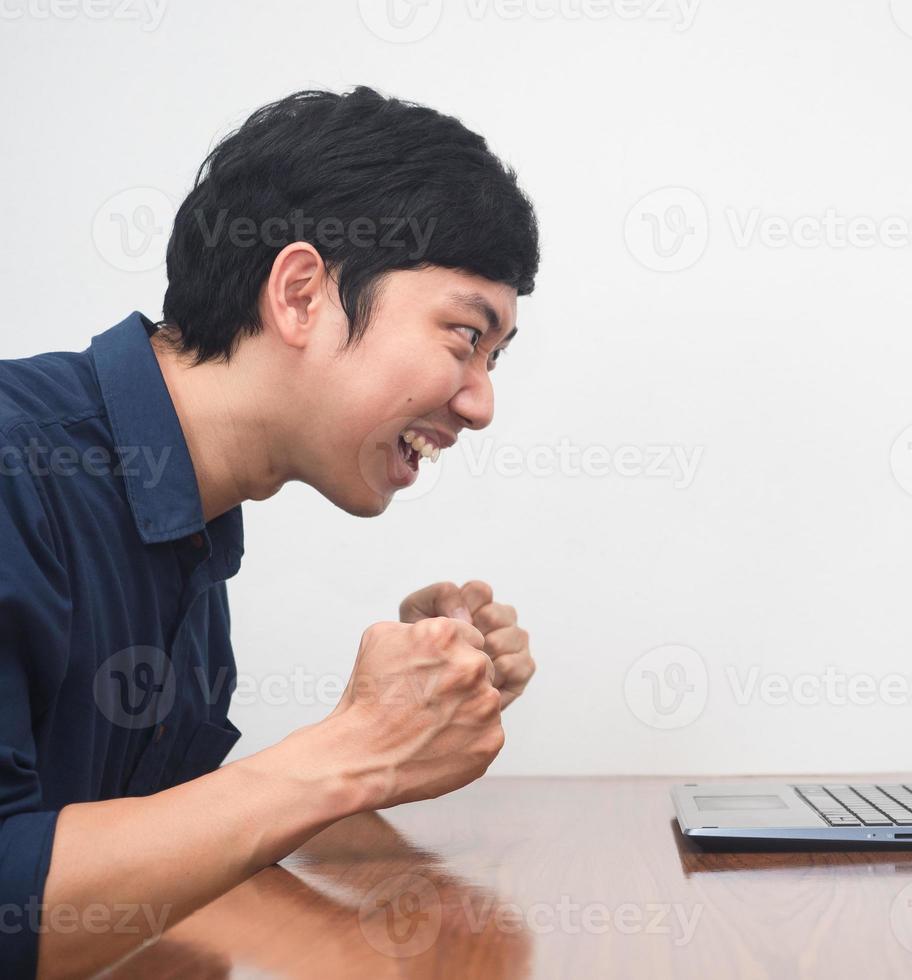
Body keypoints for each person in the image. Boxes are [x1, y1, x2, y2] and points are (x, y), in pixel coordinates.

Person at [0, 86, 540, 979]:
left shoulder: (192, 522)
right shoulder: (19, 466)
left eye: (494, 358)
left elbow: (155, 850)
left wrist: (402, 734)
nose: (481, 403)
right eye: (462, 336)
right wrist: (357, 749)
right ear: (300, 294)